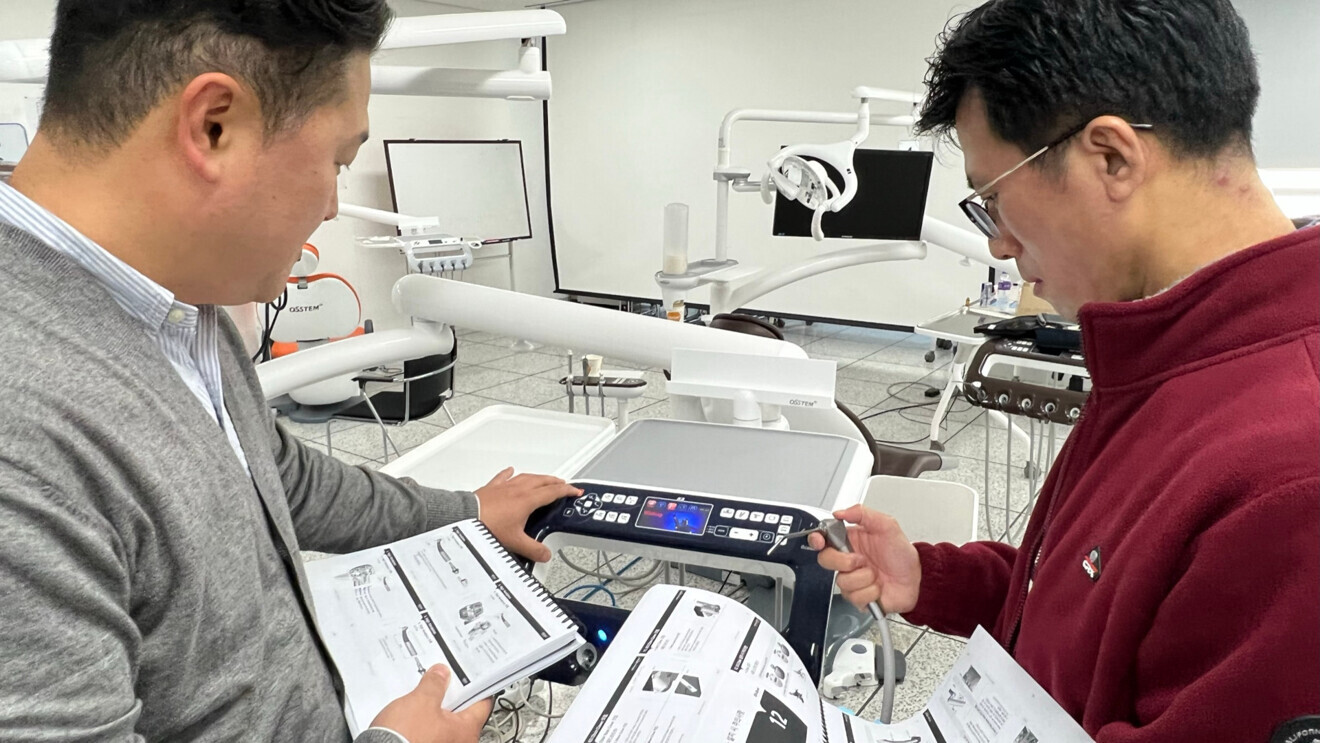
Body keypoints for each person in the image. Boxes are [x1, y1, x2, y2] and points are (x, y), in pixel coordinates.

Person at [0, 1, 579, 742]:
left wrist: (463, 510)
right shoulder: (24, 432)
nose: (334, 206)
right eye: (337, 161)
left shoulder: (180, 299)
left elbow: (276, 477)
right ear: (215, 124)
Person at [812, 1, 1319, 740]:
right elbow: (1105, 596)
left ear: (1111, 157)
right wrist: (932, 579)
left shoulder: (1289, 472)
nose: (999, 246)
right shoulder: (1170, 359)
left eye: (993, 202)